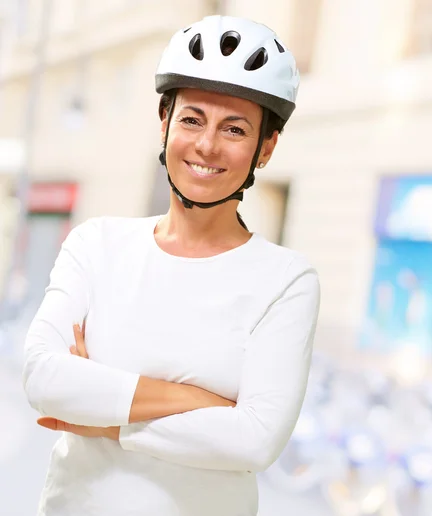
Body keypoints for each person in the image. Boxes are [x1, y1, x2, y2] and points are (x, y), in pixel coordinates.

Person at [22, 15, 320, 516]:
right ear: (165, 122)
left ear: (265, 148)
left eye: (235, 128)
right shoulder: (97, 243)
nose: (207, 145)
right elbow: (44, 379)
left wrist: (109, 421)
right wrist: (199, 402)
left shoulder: (286, 280)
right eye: (192, 119)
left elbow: (254, 441)